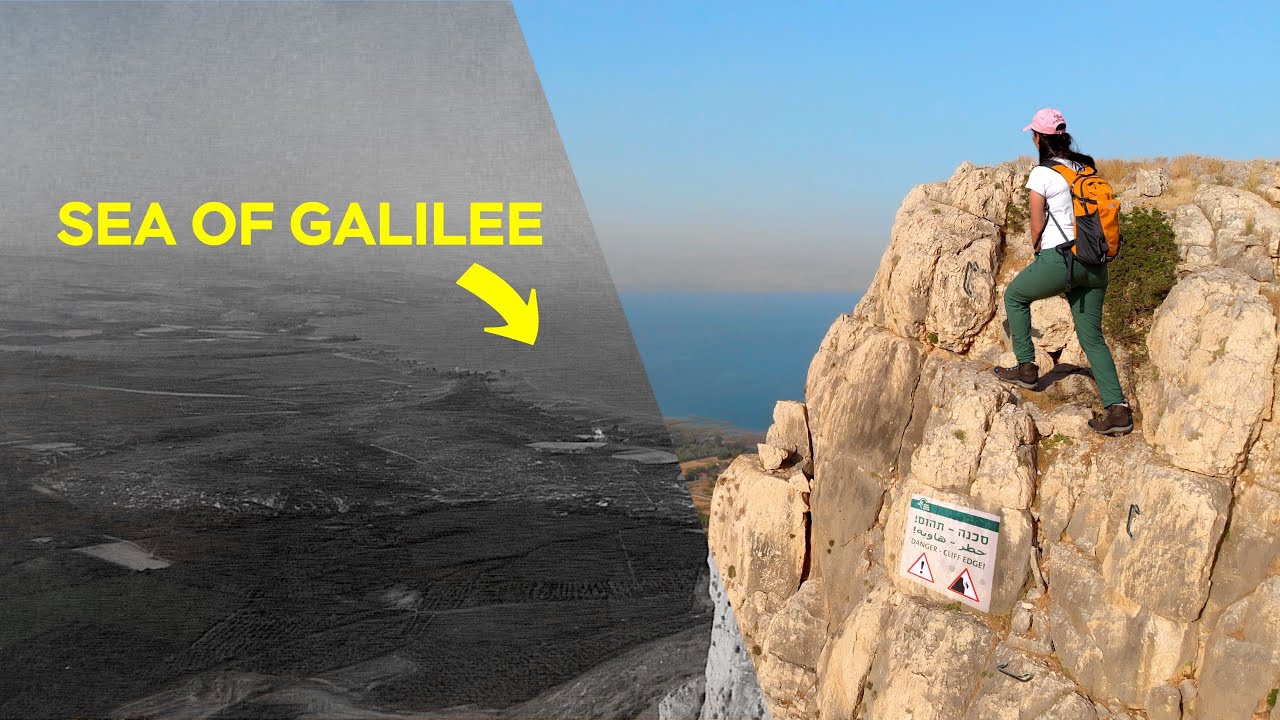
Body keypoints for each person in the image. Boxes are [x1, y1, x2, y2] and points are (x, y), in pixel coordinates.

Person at [994, 108, 1132, 436]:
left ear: (1039, 138)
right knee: (1093, 339)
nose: (1032, 138)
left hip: (1061, 260)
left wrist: (1038, 251)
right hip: (1095, 264)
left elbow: (1036, 221)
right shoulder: (1086, 169)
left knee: (1015, 295)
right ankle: (1118, 410)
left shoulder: (1043, 174)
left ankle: (1027, 367)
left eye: (1033, 134)